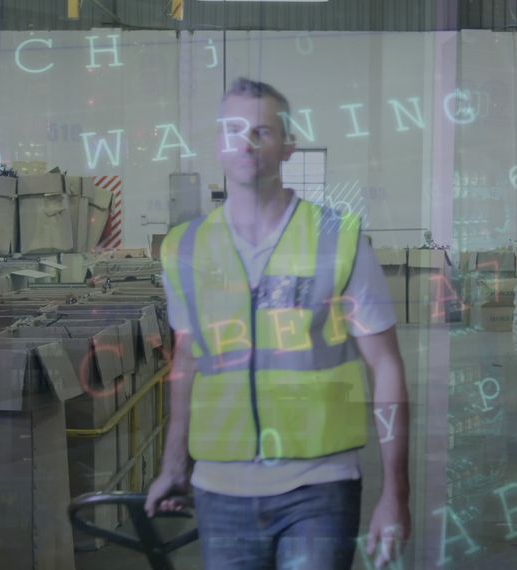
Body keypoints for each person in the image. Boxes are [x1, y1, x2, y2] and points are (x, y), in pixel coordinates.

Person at [145, 77, 411, 570]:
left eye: (262, 131)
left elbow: (386, 365)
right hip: (219, 490)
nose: (246, 143)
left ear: (288, 145)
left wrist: (396, 491)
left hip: (319, 486)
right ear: (218, 143)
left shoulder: (338, 239)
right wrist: (173, 464)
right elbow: (187, 361)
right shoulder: (185, 248)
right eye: (233, 130)